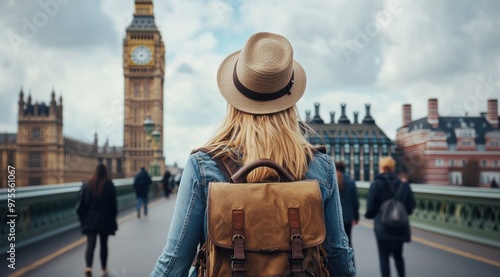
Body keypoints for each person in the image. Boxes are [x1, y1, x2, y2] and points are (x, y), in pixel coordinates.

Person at [150, 32, 355, 276]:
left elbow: (174, 262)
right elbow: (339, 254)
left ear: (234, 100)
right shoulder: (320, 166)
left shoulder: (203, 165)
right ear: (291, 102)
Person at [365, 157, 415, 277]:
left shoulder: (376, 184)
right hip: (399, 227)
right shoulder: (403, 185)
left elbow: (370, 209)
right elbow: (410, 207)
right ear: (392, 168)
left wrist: (372, 215)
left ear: (381, 168)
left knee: (384, 258)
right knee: (398, 256)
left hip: (382, 227)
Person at [76, 163, 117, 277]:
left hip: (90, 219)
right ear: (105, 173)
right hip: (105, 219)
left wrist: (83, 218)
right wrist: (113, 218)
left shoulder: (87, 184)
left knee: (90, 243)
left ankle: (88, 267)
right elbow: (113, 205)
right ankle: (103, 269)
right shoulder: (109, 185)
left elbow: (80, 206)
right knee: (103, 244)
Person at [335, 161, 360, 247]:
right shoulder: (351, 181)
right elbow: (355, 201)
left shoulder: (333, 181)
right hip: (348, 217)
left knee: (337, 243)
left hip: (336, 216)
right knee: (348, 241)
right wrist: (356, 217)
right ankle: (350, 260)